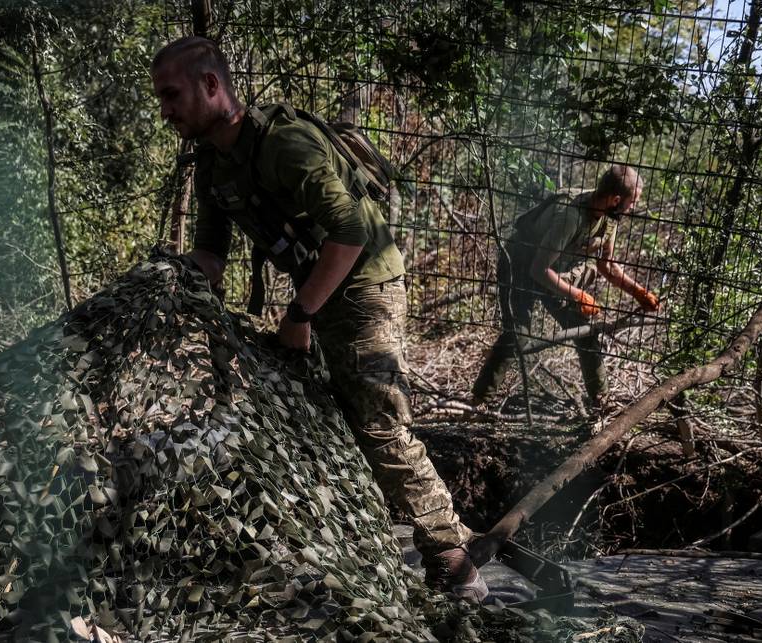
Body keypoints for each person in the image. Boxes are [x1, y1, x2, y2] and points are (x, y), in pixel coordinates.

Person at [150, 36, 487, 600]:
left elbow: (351, 230)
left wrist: (301, 313)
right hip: (318, 286)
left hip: (365, 281)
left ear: (211, 85)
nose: (165, 110)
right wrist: (168, 278)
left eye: (172, 95)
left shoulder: (285, 145)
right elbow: (211, 255)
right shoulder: (212, 163)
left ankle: (452, 559)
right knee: (329, 415)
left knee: (379, 424)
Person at [471, 165, 660, 413]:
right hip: (520, 266)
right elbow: (538, 270)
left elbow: (606, 264)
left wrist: (639, 293)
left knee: (584, 330)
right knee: (518, 332)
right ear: (616, 200)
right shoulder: (570, 216)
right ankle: (479, 402)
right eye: (632, 201)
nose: (632, 207)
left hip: (552, 270)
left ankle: (601, 401)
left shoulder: (609, 217)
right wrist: (577, 294)